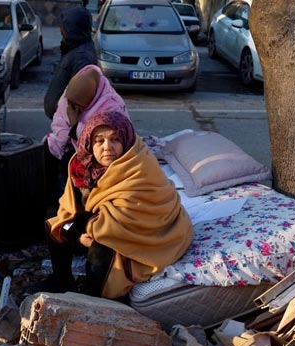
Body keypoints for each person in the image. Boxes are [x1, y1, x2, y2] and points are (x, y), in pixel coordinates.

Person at [41, 111, 194, 298]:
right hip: (94, 224)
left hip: (145, 235)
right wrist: (76, 232)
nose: (107, 147)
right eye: (99, 141)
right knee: (55, 224)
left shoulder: (139, 167)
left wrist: (87, 229)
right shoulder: (82, 167)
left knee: (101, 249)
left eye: (115, 139)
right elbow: (70, 207)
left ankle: (98, 298)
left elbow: (129, 217)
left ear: (126, 141)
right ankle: (62, 280)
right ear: (89, 142)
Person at [44, 64, 129, 205]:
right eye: (72, 105)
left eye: (79, 107)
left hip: (103, 161)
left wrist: (74, 124)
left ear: (91, 100)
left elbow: (103, 145)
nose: (73, 109)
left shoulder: (111, 107)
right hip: (78, 149)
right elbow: (60, 119)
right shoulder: (72, 95)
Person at [43, 6, 97, 119]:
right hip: (62, 120)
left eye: (63, 27)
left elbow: (79, 101)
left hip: (68, 124)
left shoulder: (82, 57)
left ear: (71, 29)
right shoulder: (73, 48)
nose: (60, 30)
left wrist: (72, 129)